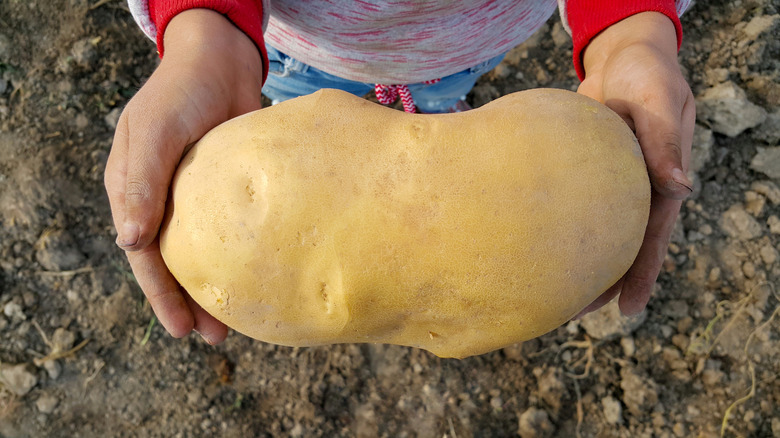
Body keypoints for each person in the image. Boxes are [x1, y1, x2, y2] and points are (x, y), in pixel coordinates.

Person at [105, 0, 695, 345]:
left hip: (475, 38)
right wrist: (207, 32)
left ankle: (433, 114)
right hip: (293, 44)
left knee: (441, 97)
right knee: (302, 110)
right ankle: (411, 120)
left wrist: (630, 29)